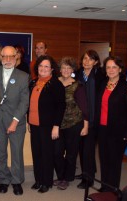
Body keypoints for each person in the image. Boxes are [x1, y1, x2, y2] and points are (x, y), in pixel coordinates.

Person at [0, 46, 29, 196]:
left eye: (10, 56)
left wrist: (15, 121)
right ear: (0, 57)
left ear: (16, 57)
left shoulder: (23, 76)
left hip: (16, 120)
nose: (7, 60)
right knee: (1, 152)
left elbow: (24, 102)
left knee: (17, 152)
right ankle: (4, 180)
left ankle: (17, 181)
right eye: (4, 56)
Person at [96, 56, 127, 192]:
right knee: (104, 158)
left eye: (114, 67)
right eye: (108, 67)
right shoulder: (102, 84)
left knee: (115, 161)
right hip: (102, 128)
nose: (111, 70)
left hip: (118, 131)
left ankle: (112, 189)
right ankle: (104, 185)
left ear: (120, 69)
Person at [28, 55, 66, 193]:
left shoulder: (56, 84)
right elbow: (31, 104)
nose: (43, 69)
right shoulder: (33, 82)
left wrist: (56, 126)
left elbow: (61, 106)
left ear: (51, 69)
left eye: (46, 66)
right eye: (40, 66)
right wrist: (29, 121)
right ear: (37, 68)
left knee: (46, 154)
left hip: (48, 125)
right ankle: (38, 180)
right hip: (34, 124)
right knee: (36, 153)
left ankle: (47, 182)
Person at [53, 57, 89, 190]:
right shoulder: (55, 83)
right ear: (60, 69)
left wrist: (85, 126)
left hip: (74, 124)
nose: (66, 70)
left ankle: (67, 178)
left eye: (69, 68)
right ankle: (61, 176)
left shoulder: (78, 85)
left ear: (72, 70)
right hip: (57, 125)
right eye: (63, 67)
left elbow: (84, 107)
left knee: (71, 154)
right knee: (57, 152)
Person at [75, 49, 105, 189]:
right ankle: (87, 171)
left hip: (93, 118)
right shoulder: (77, 74)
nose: (86, 61)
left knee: (88, 148)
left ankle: (89, 178)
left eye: (90, 59)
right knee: (81, 147)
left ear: (96, 62)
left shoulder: (101, 75)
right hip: (79, 117)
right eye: (85, 58)